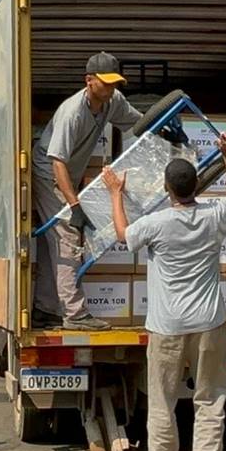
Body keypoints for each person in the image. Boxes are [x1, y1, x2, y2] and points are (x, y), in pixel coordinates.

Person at [103, 134, 226, 451]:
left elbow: (122, 235)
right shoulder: (215, 216)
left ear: (167, 189)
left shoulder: (156, 223)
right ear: (197, 186)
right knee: (210, 402)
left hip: (166, 328)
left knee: (163, 405)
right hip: (209, 325)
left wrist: (116, 193)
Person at [31, 51, 143, 331]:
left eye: (115, 83)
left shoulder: (112, 101)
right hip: (49, 171)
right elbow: (57, 163)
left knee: (53, 244)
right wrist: (75, 207)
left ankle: (45, 308)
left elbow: (136, 122)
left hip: (72, 172)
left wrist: (162, 129)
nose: (111, 88)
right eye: (105, 83)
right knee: (68, 235)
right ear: (89, 81)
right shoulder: (73, 112)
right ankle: (75, 314)